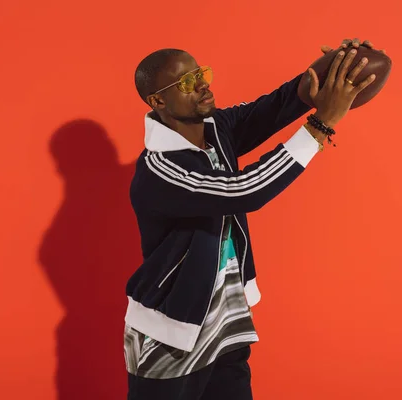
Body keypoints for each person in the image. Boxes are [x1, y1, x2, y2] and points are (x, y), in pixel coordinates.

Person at [125, 38, 380, 400]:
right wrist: (320, 125)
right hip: (170, 333)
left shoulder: (217, 129)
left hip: (227, 322)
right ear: (158, 101)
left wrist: (333, 69)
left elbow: (274, 106)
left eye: (201, 74)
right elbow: (244, 190)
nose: (203, 86)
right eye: (186, 82)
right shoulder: (161, 169)